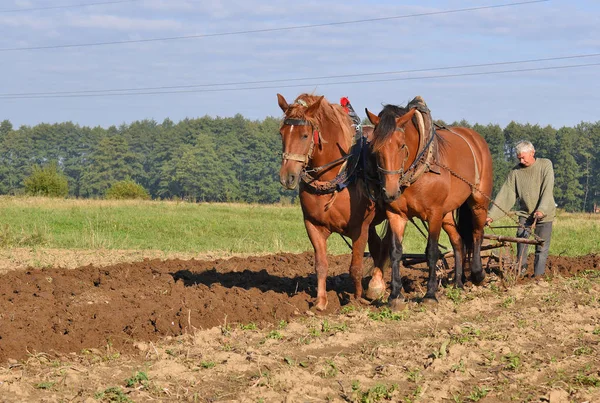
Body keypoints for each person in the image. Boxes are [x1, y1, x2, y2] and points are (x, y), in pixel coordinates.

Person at [486, 140, 556, 277]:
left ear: (532, 153)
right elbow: (506, 194)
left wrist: (541, 209)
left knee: (541, 247)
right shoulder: (515, 172)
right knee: (521, 242)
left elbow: (548, 189)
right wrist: (491, 215)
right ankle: (520, 271)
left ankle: (538, 277)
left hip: (545, 214)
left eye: (524, 157)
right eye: (519, 158)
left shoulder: (545, 165)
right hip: (525, 214)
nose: (522, 161)